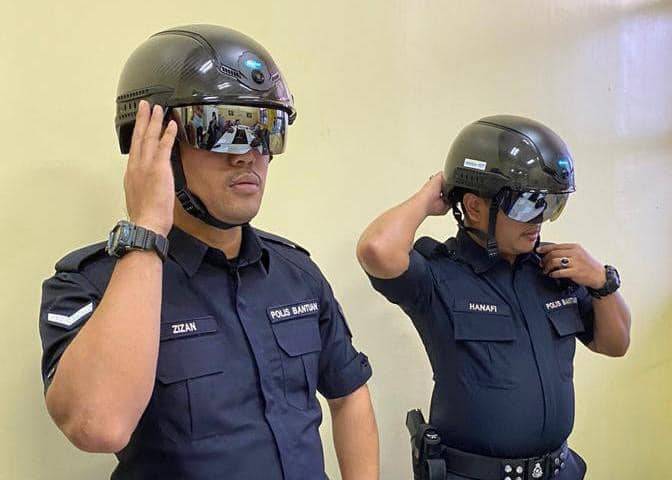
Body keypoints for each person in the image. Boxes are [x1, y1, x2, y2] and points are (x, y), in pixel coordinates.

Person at [39, 24, 378, 480]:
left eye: (266, 131)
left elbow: (349, 393)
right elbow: (99, 426)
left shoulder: (296, 274)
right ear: (158, 144)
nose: (248, 155)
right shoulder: (89, 285)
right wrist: (146, 227)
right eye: (223, 130)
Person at [357, 115, 630, 480]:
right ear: (474, 207)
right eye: (525, 204)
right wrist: (428, 195)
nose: (539, 219)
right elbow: (376, 249)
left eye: (548, 203)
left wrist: (603, 282)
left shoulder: (555, 270)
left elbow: (615, 344)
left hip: (559, 471)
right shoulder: (438, 276)